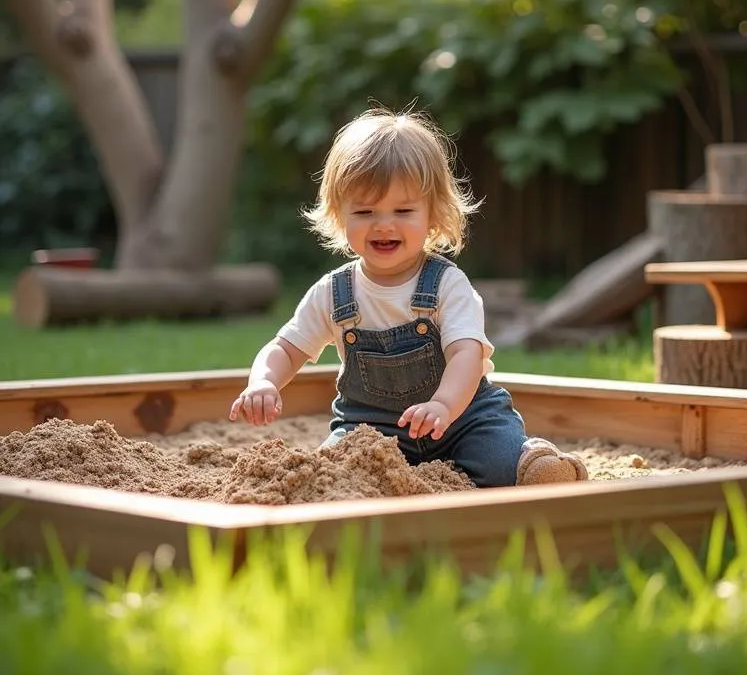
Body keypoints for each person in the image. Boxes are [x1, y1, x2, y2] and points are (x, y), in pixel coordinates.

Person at [230, 108, 587, 487]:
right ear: (340, 215)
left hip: (463, 418)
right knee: (334, 474)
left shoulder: (447, 284)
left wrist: (443, 406)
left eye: (403, 210)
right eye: (365, 211)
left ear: (433, 215)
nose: (384, 224)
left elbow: (466, 354)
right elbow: (284, 348)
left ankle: (533, 461)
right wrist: (263, 382)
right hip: (372, 429)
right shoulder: (334, 293)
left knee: (498, 463)